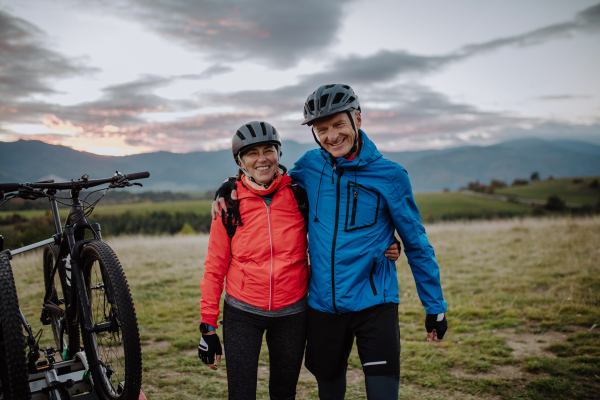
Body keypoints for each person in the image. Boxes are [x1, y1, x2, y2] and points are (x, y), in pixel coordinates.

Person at [213, 84, 447, 400]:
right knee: (329, 390)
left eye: (338, 124)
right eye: (322, 129)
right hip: (323, 306)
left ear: (358, 120)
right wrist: (230, 186)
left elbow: (418, 243)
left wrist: (435, 306)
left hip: (375, 304)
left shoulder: (390, 176)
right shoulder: (310, 166)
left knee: (382, 393)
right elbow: (271, 182)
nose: (331, 136)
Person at [198, 121, 310, 400]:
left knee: (284, 393)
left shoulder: (299, 194)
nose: (262, 159)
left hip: (293, 312)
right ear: (240, 161)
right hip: (242, 312)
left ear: (279, 154)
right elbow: (214, 268)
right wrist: (208, 326)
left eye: (268, 150)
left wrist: (387, 241)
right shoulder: (229, 204)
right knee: (241, 393)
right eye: (252, 153)